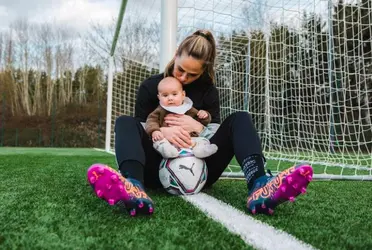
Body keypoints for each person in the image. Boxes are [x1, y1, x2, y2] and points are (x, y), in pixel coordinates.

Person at [87, 29, 314, 217]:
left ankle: (260, 184)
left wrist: (198, 127)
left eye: (192, 75)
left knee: (240, 118)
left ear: (204, 71)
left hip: (202, 166)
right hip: (156, 168)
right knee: (125, 122)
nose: (183, 78)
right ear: (176, 54)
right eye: (181, 70)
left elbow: (214, 134)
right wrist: (164, 131)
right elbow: (138, 130)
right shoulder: (151, 87)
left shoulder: (208, 93)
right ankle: (133, 185)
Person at [145, 76, 218, 159]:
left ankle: (201, 151)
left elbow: (201, 121)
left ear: (183, 95)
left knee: (201, 141)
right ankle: (169, 151)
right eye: (165, 95)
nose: (170, 98)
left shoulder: (188, 109)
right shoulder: (160, 111)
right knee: (159, 142)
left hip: (190, 139)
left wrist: (204, 116)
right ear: (159, 97)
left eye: (174, 94)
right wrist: (155, 131)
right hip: (169, 140)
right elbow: (151, 121)